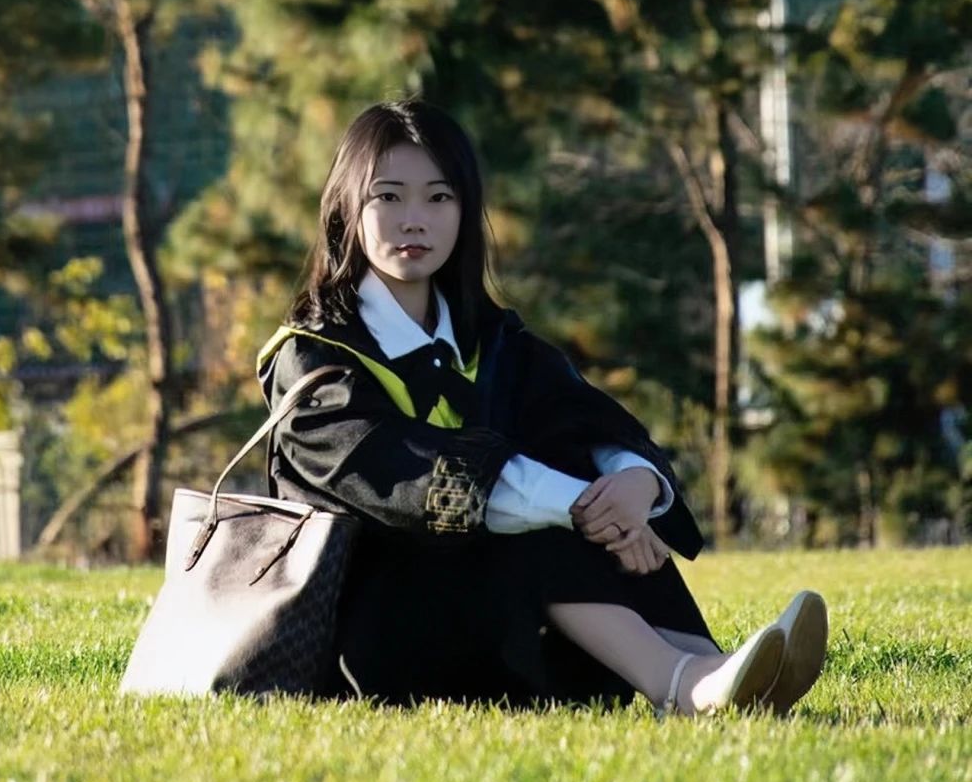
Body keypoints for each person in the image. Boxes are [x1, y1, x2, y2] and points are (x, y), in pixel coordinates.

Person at [256, 99, 829, 716]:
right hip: (377, 646)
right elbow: (413, 477)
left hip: (500, 632)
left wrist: (633, 485)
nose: (414, 220)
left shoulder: (491, 340)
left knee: (572, 484)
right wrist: (583, 509)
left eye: (439, 197)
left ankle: (716, 669)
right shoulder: (313, 363)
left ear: (466, 212)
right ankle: (683, 684)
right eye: (388, 197)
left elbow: (579, 416)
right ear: (346, 208)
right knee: (522, 504)